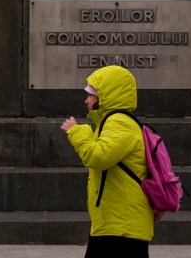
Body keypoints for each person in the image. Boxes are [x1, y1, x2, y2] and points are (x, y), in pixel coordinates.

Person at [59, 63, 152, 256]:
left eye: (90, 95)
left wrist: (77, 131)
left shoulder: (120, 123)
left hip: (121, 226)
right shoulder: (113, 123)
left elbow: (98, 156)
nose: (86, 100)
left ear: (105, 95)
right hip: (114, 222)